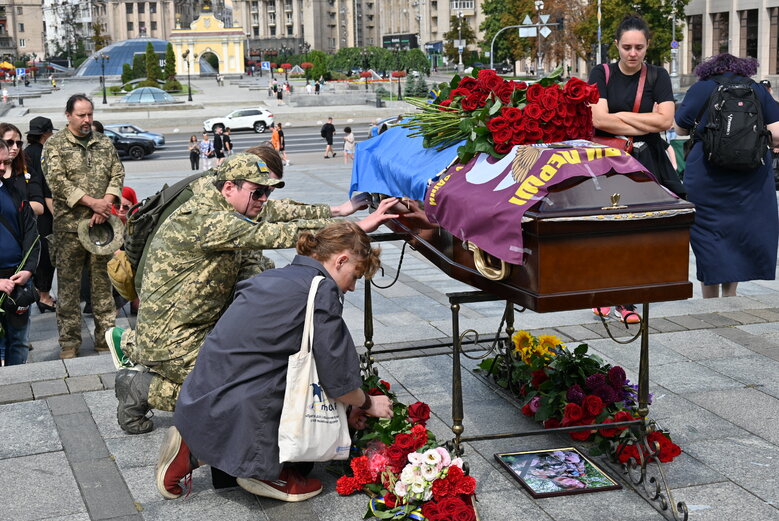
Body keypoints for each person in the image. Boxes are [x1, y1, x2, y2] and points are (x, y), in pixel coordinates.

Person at [107, 149, 398, 434]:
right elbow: (276, 233)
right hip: (172, 337)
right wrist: (354, 226)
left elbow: (281, 211)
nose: (263, 200)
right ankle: (141, 387)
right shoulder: (209, 219)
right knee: (238, 391)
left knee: (257, 275)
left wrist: (341, 210)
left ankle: (141, 356)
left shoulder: (228, 203)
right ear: (230, 187)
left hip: (198, 324)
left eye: (266, 193)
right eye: (257, 193)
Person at [155, 222, 394, 501]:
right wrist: (366, 402)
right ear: (341, 260)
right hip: (244, 403)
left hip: (201, 396)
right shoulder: (321, 291)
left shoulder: (270, 276)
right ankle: (264, 472)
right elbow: (336, 374)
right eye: (354, 275)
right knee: (300, 385)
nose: (352, 287)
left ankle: (193, 449)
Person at [588, 14, 678, 325]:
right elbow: (598, 120)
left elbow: (666, 121)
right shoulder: (601, 73)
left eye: (639, 47)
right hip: (607, 161)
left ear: (647, 46)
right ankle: (601, 293)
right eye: (627, 46)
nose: (633, 53)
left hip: (645, 160)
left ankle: (628, 300)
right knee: (606, 227)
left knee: (637, 229)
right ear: (616, 45)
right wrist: (643, 120)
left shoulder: (657, 76)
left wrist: (620, 116)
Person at [674, 53, 779, 298]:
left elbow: (680, 127)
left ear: (710, 69)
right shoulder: (756, 89)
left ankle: (710, 299)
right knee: (739, 236)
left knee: (709, 235)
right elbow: (777, 134)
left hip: (707, 175)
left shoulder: (701, 88)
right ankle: (730, 296)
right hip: (749, 175)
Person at [43, 94, 124, 359]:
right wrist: (93, 203)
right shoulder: (54, 145)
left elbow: (117, 172)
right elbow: (58, 182)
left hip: (101, 227)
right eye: (81, 115)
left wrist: (107, 202)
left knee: (103, 287)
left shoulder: (103, 142)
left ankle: (106, 339)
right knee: (68, 289)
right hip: (69, 229)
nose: (87, 120)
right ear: (68, 116)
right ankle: (69, 343)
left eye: (90, 114)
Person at [0, 140, 40, 366]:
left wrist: (27, 270)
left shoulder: (15, 192)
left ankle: (19, 390)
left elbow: (32, 237)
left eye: (6, 162)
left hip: (17, 282)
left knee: (19, 342)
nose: (3, 167)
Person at [24, 117, 57, 312]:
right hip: (45, 211)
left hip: (29, 210)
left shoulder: (26, 153)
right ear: (46, 134)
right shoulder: (43, 154)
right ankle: (43, 296)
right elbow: (47, 188)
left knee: (36, 253)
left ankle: (40, 291)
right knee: (47, 254)